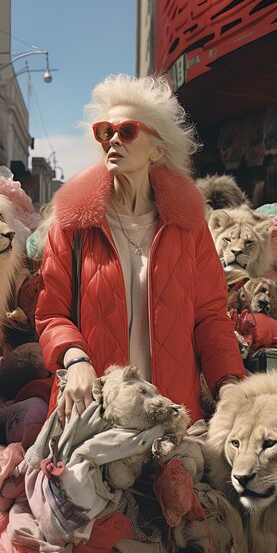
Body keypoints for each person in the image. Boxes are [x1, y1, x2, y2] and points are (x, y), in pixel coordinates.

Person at [35, 74, 245, 423]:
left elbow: (210, 316)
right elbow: (51, 314)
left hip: (169, 414)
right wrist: (76, 360)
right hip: (94, 411)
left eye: (128, 131)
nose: (113, 140)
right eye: (105, 131)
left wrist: (229, 382)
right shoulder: (73, 224)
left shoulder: (188, 227)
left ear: (158, 150)